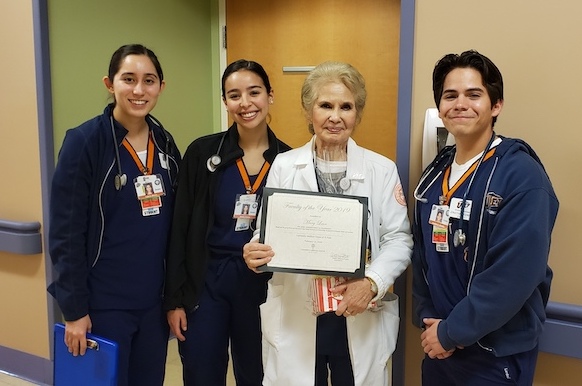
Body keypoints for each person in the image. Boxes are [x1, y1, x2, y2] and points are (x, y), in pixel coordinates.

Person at [243, 61, 413, 386]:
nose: (335, 116)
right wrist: (256, 253)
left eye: (346, 106)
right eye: (325, 105)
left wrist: (372, 282)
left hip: (358, 309)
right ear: (309, 112)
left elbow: (399, 240)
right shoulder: (284, 165)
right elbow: (265, 233)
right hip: (299, 313)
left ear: (357, 113)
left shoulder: (381, 170)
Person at [411, 50, 559, 385]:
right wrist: (429, 319)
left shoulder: (520, 176)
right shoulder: (435, 174)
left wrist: (453, 332)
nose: (460, 104)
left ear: (496, 106)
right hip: (438, 344)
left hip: (493, 354)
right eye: (450, 96)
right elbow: (422, 254)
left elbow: (515, 275)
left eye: (473, 94)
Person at [48, 44, 181, 386]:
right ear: (110, 84)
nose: (139, 90)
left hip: (153, 304)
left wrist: (174, 298)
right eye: (129, 79)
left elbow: (176, 225)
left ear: (161, 87)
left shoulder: (165, 143)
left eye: (149, 81)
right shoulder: (85, 142)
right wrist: (75, 311)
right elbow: (66, 233)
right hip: (104, 305)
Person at [164, 59, 290, 386]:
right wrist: (174, 299)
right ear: (225, 101)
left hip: (262, 284)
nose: (245, 103)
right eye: (234, 95)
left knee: (259, 374)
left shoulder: (290, 163)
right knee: (201, 371)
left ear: (270, 95)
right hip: (207, 283)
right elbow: (180, 229)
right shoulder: (202, 154)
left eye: (254, 92)